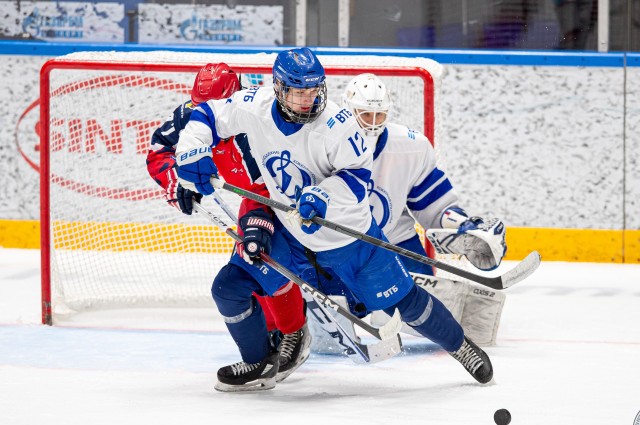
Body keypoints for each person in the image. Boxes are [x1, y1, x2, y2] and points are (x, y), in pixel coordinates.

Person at [175, 47, 494, 392]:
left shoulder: (337, 125)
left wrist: (323, 195)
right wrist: (191, 151)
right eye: (299, 92)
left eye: (314, 91)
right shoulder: (254, 106)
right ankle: (258, 361)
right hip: (292, 234)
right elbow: (206, 114)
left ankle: (461, 347)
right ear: (279, 89)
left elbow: (359, 177)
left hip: (351, 239)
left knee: (407, 301)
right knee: (229, 287)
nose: (308, 100)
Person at [304, 73, 507, 348]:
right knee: (327, 327)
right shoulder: (321, 142)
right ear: (347, 111)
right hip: (337, 247)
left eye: (379, 115)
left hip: (394, 242)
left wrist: (462, 225)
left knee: (423, 310)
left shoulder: (410, 147)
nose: (372, 123)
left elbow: (433, 203)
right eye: (365, 114)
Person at [145, 62, 310, 385]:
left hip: (284, 197)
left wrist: (259, 219)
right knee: (253, 262)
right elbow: (159, 150)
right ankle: (272, 339)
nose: (201, 113)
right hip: (252, 196)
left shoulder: (258, 117)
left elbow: (274, 181)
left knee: (266, 261)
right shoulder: (193, 113)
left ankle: (294, 332)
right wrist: (175, 181)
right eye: (197, 105)